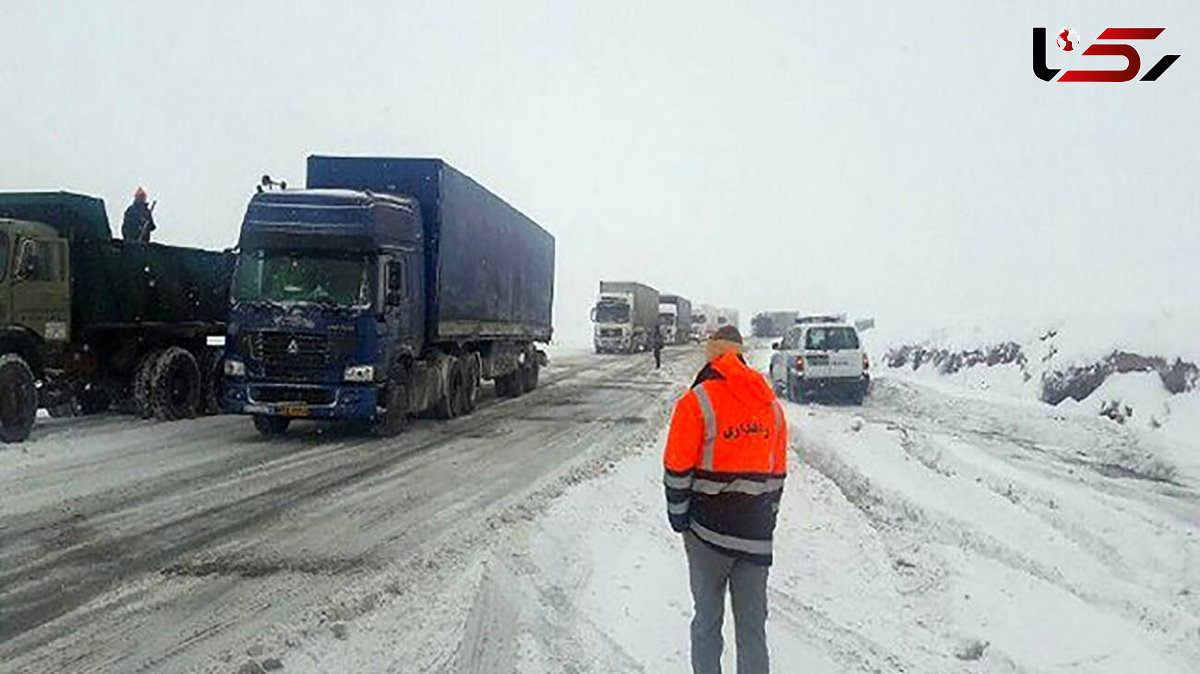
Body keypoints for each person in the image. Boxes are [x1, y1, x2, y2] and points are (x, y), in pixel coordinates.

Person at [663, 325, 788, 674]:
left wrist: (679, 519)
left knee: (707, 621)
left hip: (707, 536)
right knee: (752, 628)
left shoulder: (696, 401)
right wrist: (766, 518)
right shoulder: (771, 406)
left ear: (713, 356)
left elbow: (676, 469)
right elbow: (777, 477)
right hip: (756, 536)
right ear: (741, 355)